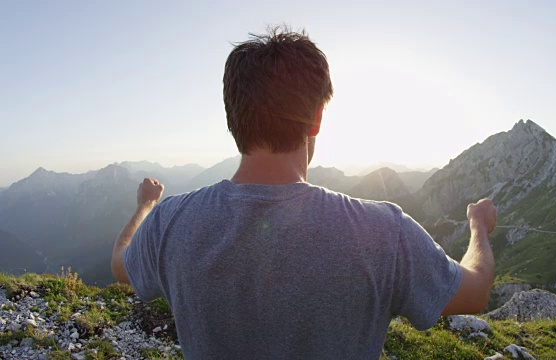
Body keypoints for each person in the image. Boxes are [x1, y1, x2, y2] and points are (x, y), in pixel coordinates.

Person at [111, 27, 496, 359]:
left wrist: (146, 206)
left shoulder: (170, 222)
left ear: (233, 118)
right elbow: (474, 291)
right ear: (315, 118)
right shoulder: (381, 231)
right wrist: (478, 228)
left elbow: (120, 265)